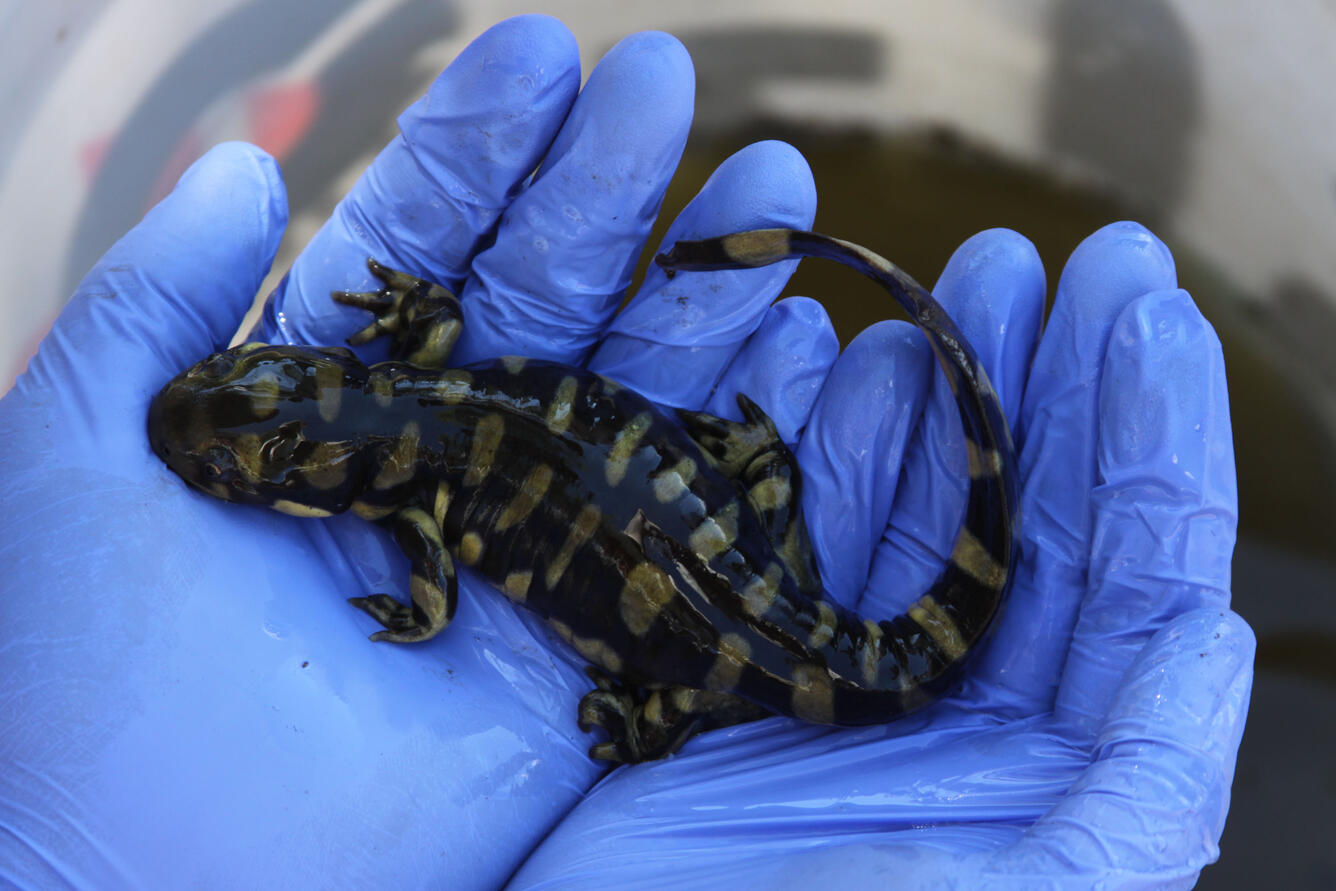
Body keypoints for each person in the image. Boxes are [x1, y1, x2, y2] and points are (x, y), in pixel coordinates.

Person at [0, 15, 1251, 889]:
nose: (229, 417)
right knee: (743, 595)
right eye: (241, 427)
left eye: (240, 404)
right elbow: (431, 498)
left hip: (759, 637)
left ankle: (668, 688)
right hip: (745, 604)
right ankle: (696, 624)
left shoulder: (407, 476)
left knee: (738, 631)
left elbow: (433, 606)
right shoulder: (404, 376)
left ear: (305, 394)